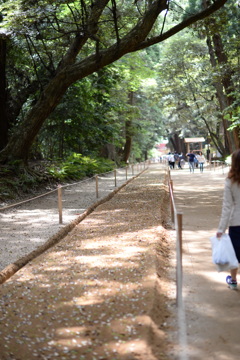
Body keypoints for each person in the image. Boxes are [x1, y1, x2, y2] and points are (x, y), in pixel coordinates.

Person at [216, 149, 240, 290]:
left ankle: (233, 280)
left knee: (235, 254)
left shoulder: (230, 181)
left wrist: (221, 229)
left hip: (236, 222)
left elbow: (227, 207)